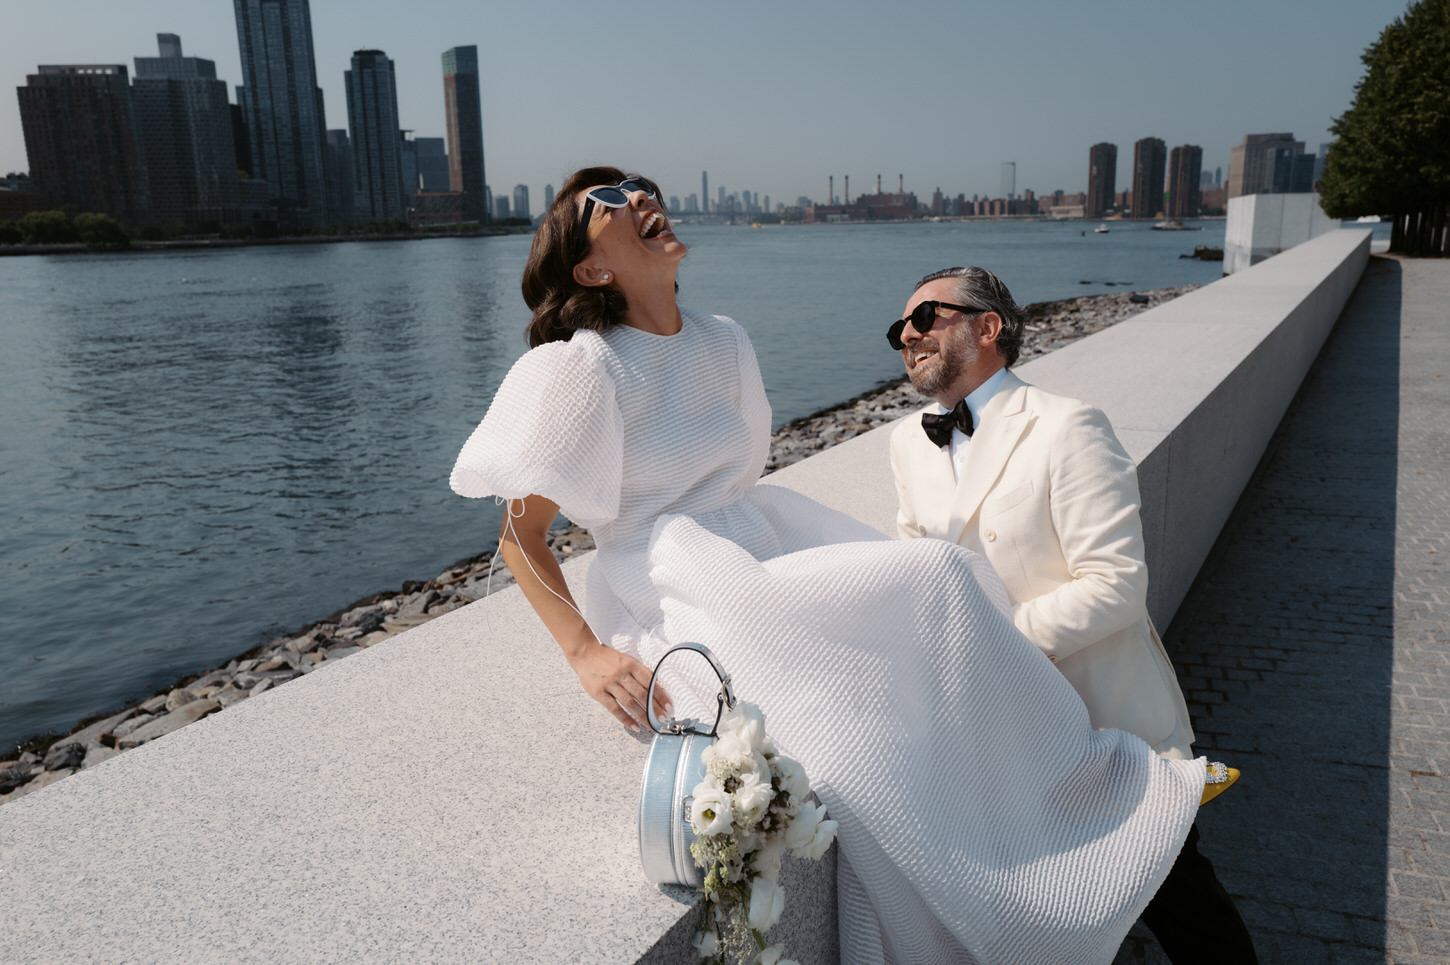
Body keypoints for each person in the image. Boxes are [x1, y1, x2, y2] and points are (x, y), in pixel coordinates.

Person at [450, 167, 1205, 964]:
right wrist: (586, 651)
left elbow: (735, 477)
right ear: (590, 268)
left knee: (936, 587)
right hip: (673, 580)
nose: (639, 196)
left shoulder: (725, 340)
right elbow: (518, 535)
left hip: (762, 541)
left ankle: (1081, 802)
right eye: (608, 202)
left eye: (640, 184)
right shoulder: (582, 367)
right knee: (852, 744)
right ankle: (995, 909)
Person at [888, 266, 1258, 965]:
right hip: (997, 732)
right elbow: (918, 570)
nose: (907, 335)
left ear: (988, 326)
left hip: (1104, 723)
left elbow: (1116, 584)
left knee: (1182, 901)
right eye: (899, 329)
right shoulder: (908, 442)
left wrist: (989, 643)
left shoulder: (1067, 425)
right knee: (1054, 909)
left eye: (925, 316)